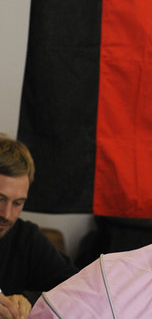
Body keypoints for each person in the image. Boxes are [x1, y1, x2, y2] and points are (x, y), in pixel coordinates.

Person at [0, 134, 78, 319]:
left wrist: (31, 300)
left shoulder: (27, 238)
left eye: (18, 203)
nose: (7, 214)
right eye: (0, 199)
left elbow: (77, 288)